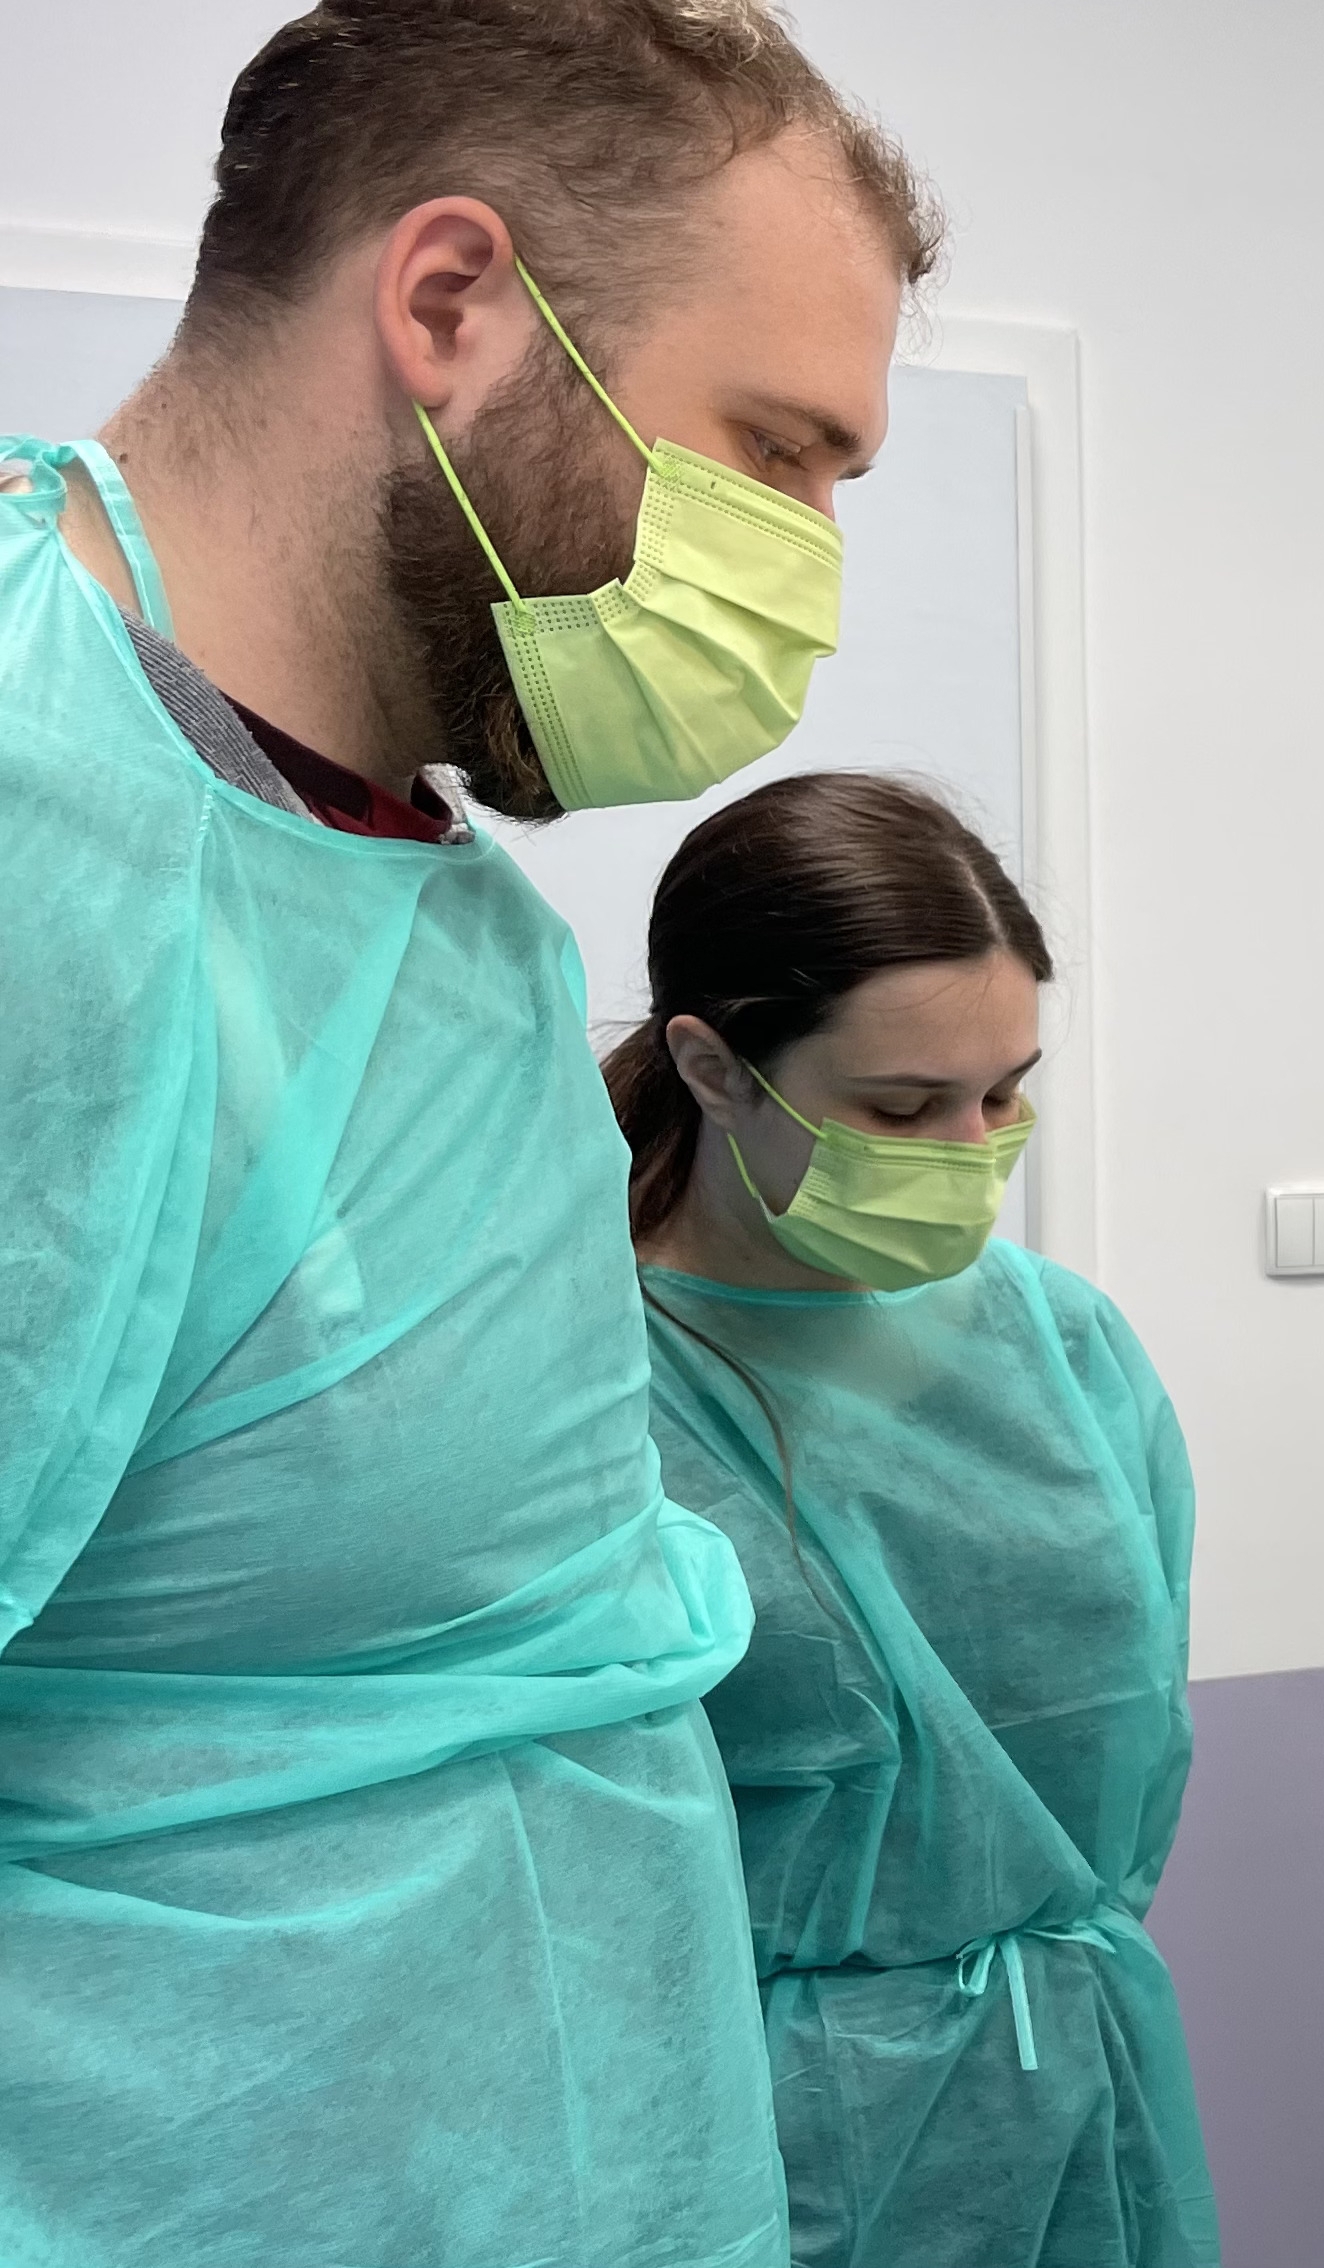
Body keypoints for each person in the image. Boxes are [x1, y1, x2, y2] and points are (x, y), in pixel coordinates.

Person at [0, 5, 933, 2261]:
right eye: (773, 453)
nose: (810, 569)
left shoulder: (446, 913)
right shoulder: (42, 841)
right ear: (448, 306)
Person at [610, 774, 1218, 2268]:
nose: (968, 1144)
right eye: (899, 1108)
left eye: (1004, 1093)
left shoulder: (1063, 1348)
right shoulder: (589, 1384)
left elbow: (1135, 1747)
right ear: (713, 1066)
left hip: (1087, 2092)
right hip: (750, 2135)